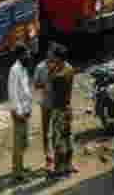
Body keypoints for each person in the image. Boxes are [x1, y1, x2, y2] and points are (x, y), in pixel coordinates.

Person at [47, 43, 76, 177]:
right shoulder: (70, 69)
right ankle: (69, 165)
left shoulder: (58, 75)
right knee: (68, 137)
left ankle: (59, 168)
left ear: (58, 58)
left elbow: (51, 84)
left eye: (54, 56)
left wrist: (51, 69)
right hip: (68, 107)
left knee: (58, 140)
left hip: (59, 109)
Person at [7, 43, 34, 180]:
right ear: (20, 55)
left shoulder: (23, 68)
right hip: (19, 113)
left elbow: (25, 90)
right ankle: (17, 173)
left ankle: (20, 167)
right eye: (26, 53)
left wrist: (28, 108)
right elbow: (13, 94)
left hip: (25, 111)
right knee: (18, 143)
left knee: (24, 142)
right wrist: (18, 112)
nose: (28, 55)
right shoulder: (14, 70)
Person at [32, 51, 54, 169]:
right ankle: (48, 157)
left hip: (57, 103)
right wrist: (45, 86)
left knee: (57, 130)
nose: (52, 61)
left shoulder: (59, 64)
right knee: (46, 131)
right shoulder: (40, 68)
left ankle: (58, 157)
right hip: (45, 103)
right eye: (50, 58)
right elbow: (35, 85)